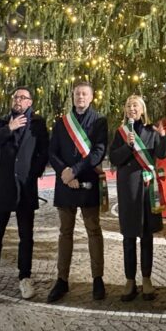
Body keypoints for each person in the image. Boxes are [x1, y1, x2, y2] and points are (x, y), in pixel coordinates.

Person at [0, 88, 51, 305]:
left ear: (30, 102)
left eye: (23, 98)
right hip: (4, 188)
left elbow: (44, 151)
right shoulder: (1, 122)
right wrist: (9, 128)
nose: (18, 100)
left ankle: (25, 278)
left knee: (26, 236)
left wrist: (33, 173)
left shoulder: (38, 123)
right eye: (16, 97)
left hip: (26, 188)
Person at [47, 82, 108, 303]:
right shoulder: (61, 123)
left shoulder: (100, 121)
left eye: (84, 94)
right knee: (65, 232)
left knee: (94, 230)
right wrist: (65, 172)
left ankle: (98, 278)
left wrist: (74, 171)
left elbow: (98, 152)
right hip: (65, 183)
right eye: (77, 94)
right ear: (72, 97)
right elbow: (52, 151)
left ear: (91, 97)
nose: (80, 97)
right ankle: (62, 280)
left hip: (87, 181)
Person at [109, 95, 166, 302]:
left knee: (146, 235)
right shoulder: (120, 133)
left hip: (146, 188)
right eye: (128, 106)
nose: (131, 108)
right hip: (127, 188)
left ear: (142, 110)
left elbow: (162, 153)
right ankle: (129, 280)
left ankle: (146, 279)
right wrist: (127, 146)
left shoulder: (151, 131)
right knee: (128, 235)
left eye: (135, 105)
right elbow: (114, 158)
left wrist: (163, 136)